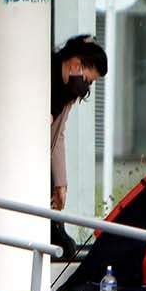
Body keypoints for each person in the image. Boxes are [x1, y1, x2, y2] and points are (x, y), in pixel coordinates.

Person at [49, 34, 108, 259]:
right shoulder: (43, 78)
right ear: (75, 64)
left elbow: (57, 136)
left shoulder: (67, 93)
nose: (87, 86)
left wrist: (60, 183)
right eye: (89, 80)